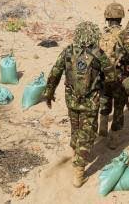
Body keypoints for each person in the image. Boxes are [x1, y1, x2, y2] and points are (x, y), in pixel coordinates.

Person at [43, 21, 111, 187]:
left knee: (76, 127)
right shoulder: (99, 54)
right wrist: (107, 93)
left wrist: (48, 94)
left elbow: (55, 73)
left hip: (72, 100)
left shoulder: (68, 51)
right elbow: (112, 76)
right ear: (95, 36)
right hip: (91, 102)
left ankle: (75, 149)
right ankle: (79, 171)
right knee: (87, 134)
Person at [98, 3, 129, 149]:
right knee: (119, 108)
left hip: (103, 76)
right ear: (121, 18)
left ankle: (102, 128)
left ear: (107, 17)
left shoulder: (102, 35)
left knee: (105, 100)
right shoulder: (124, 35)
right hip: (119, 77)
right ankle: (114, 139)